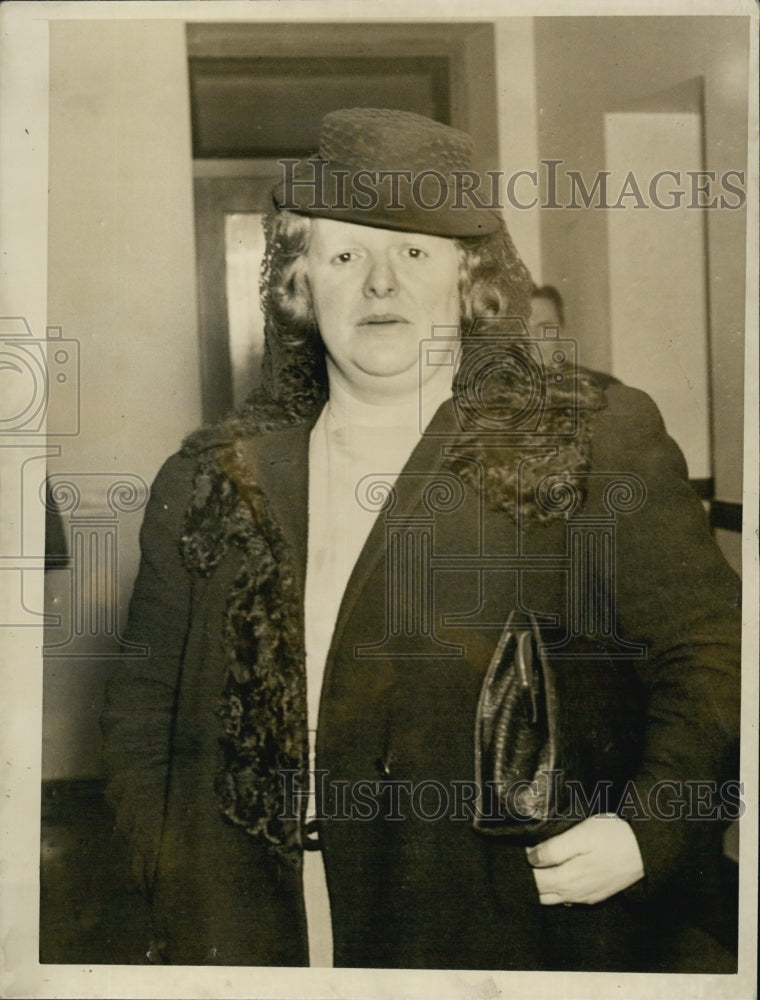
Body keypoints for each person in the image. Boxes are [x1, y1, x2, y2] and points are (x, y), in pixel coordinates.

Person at [101, 108, 741, 971]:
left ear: (468, 279)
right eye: (343, 256)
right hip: (265, 930)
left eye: (411, 251)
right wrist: (174, 882)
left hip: (506, 929)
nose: (378, 286)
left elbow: (716, 653)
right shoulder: (213, 478)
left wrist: (648, 829)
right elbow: (143, 713)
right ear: (298, 286)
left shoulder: (589, 440)